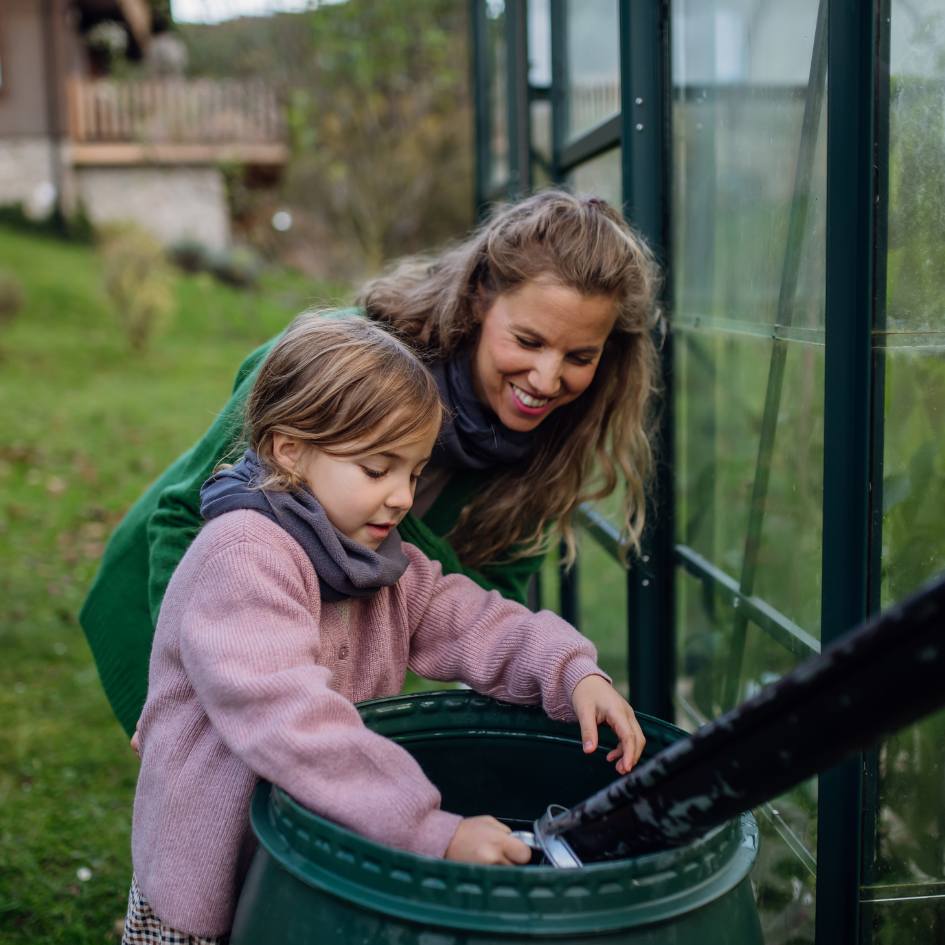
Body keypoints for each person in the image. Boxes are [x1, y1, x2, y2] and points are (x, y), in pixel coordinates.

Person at [122, 316, 645, 943]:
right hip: (206, 870)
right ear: (290, 451)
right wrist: (431, 830)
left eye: (414, 473)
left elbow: (469, 616)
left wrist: (568, 670)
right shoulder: (244, 556)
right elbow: (291, 717)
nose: (401, 497)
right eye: (377, 470)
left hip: (298, 857)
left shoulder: (373, 562)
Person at [80, 189, 662, 737]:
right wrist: (179, 691)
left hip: (304, 659)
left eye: (579, 356)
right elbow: (188, 512)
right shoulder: (336, 363)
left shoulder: (555, 455)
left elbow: (474, 604)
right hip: (168, 610)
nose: (546, 379)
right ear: (481, 296)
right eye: (529, 341)